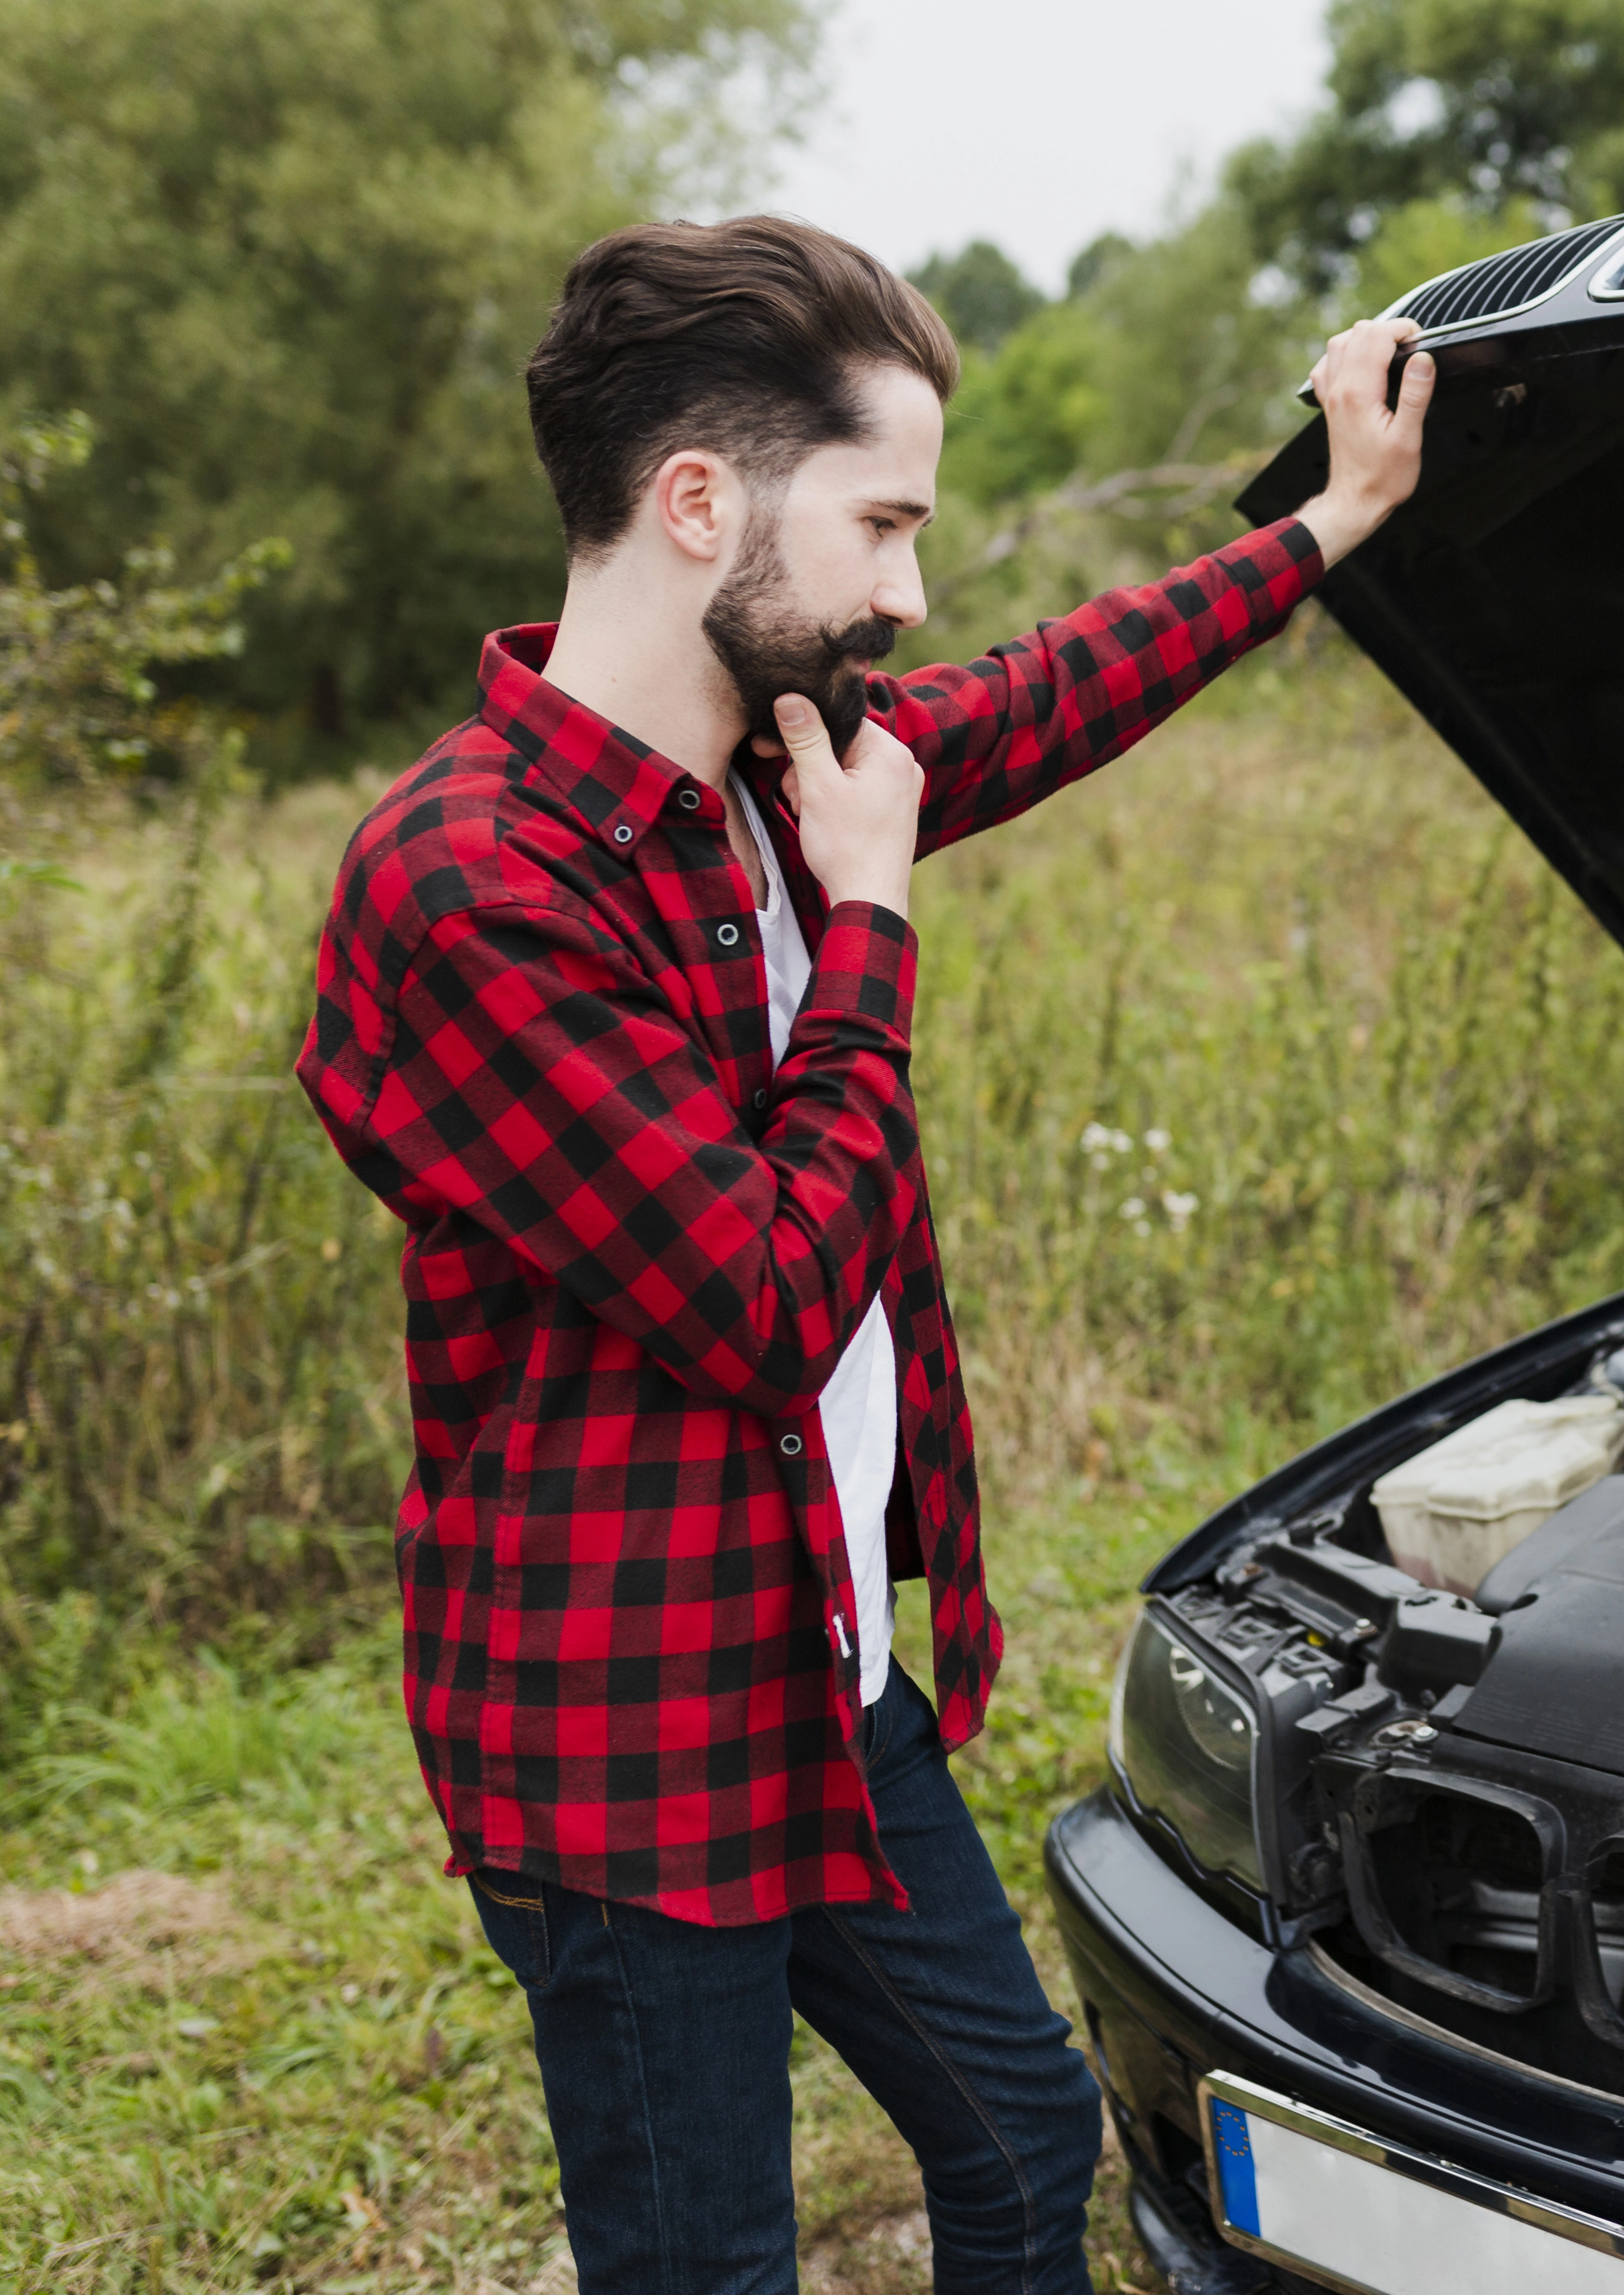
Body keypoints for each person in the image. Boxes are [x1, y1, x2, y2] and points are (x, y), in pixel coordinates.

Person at [294, 214, 1431, 2292]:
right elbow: (767, 1294)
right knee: (706, 2265)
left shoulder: (780, 762)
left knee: (1017, 2138)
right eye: (885, 523)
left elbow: (1060, 688)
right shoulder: (469, 883)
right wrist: (875, 929)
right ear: (699, 499)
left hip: (818, 1665)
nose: (913, 592)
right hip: (626, 1745)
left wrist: (1336, 522)